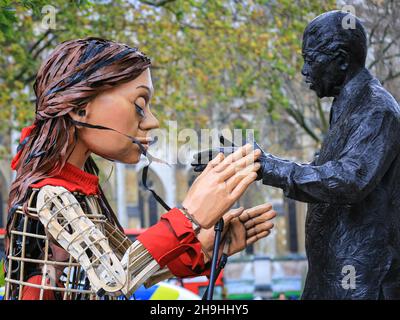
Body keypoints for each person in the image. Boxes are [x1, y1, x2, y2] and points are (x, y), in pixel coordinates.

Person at [4, 37, 276, 300]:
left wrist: (203, 248)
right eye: (139, 105)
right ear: (79, 109)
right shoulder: (50, 195)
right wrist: (188, 216)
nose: (152, 122)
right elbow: (113, 282)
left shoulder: (84, 193)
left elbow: (129, 266)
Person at [192, 11, 400, 299]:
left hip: (359, 284)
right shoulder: (347, 106)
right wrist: (251, 160)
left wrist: (265, 166)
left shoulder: (376, 110)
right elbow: (324, 173)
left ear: (340, 60)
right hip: (330, 279)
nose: (304, 71)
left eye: (311, 60)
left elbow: (348, 180)